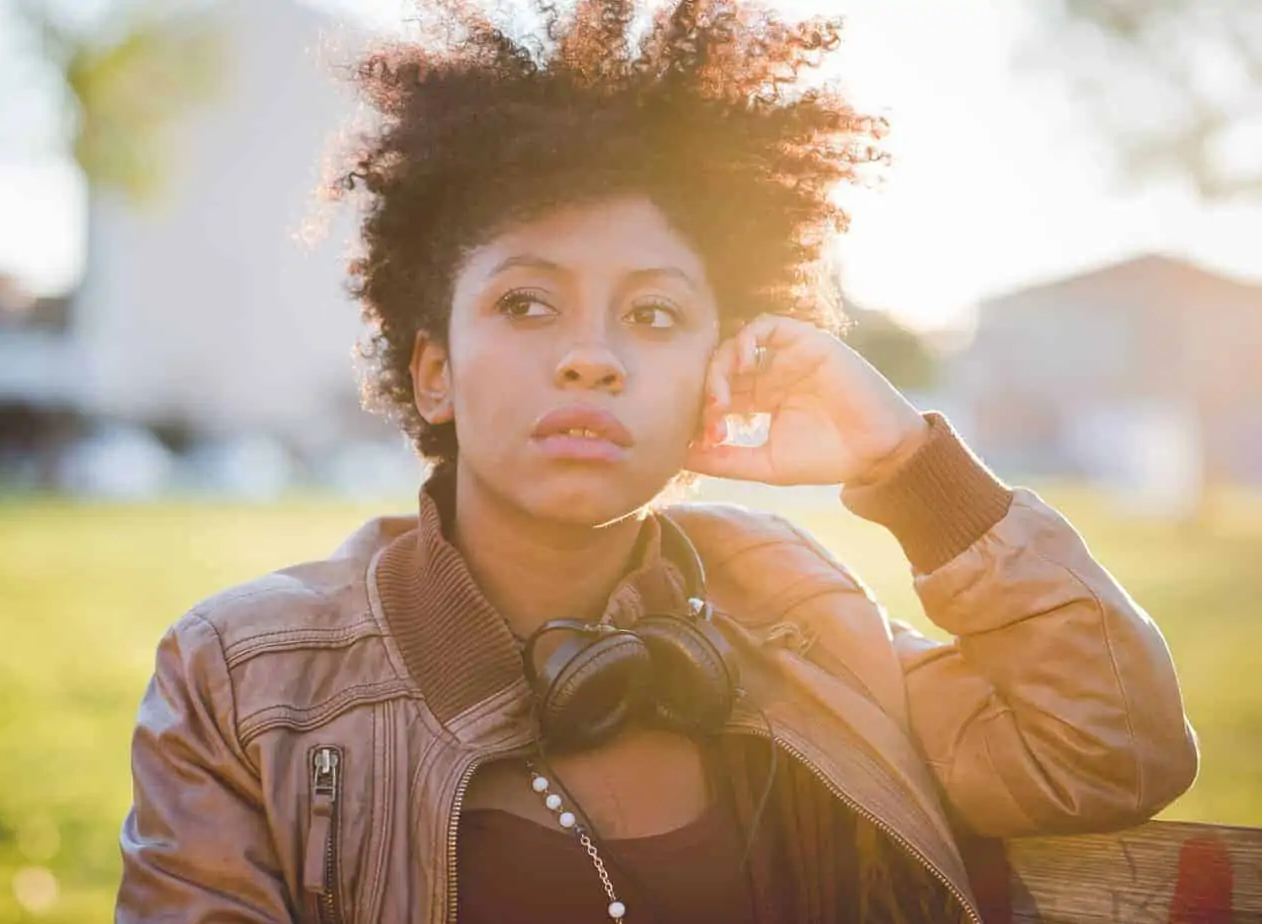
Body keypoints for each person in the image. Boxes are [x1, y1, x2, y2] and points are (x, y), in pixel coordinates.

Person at [115, 2, 1198, 922]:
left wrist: (905, 464)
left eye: (653, 312)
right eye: (526, 302)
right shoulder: (244, 680)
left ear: (714, 373)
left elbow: (1109, 755)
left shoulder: (802, 615)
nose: (590, 356)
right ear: (434, 372)